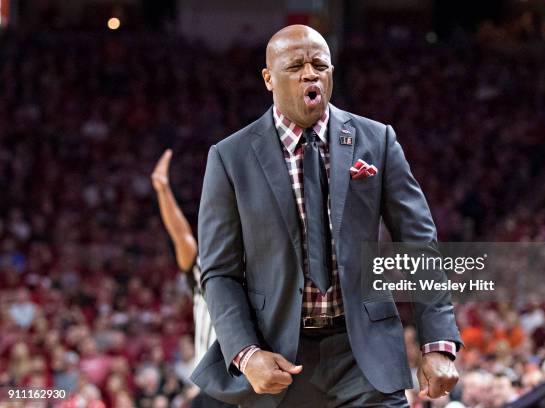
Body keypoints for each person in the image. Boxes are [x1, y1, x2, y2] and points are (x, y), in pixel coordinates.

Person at [192, 25, 462, 407]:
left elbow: (419, 244)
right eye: (296, 65)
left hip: (364, 356)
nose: (310, 73)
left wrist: (438, 343)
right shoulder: (229, 157)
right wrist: (246, 353)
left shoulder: (377, 140)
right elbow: (219, 272)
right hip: (279, 357)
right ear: (268, 78)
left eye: (320, 64)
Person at [151, 149, 235, 408]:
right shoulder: (201, 269)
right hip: (212, 387)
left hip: (250, 383)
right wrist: (164, 191)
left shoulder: (257, 269)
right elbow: (181, 235)